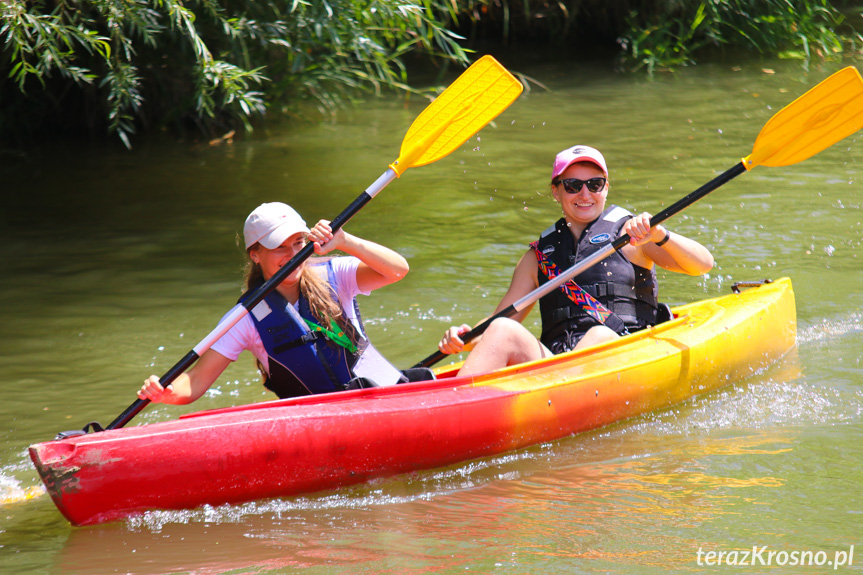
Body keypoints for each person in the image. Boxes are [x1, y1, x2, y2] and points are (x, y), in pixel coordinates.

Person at [438, 145, 714, 377]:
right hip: (556, 367)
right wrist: (464, 338)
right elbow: (501, 319)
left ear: (606, 188)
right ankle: (448, 413)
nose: (585, 194)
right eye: (572, 186)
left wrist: (660, 234)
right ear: (556, 191)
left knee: (599, 335)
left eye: (595, 184)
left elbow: (702, 265)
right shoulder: (537, 258)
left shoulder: (633, 236)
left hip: (628, 358)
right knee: (501, 328)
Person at [138, 201, 413, 404]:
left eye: (298, 243)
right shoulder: (244, 317)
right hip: (318, 423)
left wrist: (345, 241)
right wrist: (166, 393)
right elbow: (196, 381)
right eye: (279, 247)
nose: (292, 255)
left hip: (380, 399)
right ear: (255, 254)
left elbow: (397, 270)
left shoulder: (337, 275)